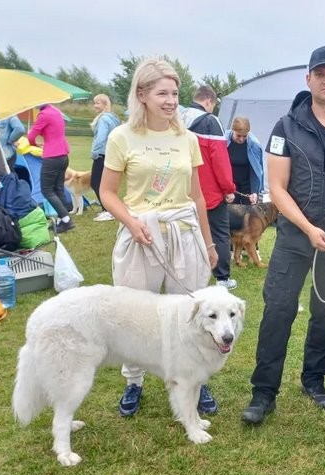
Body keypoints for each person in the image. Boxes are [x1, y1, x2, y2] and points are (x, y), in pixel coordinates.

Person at [241, 45, 325, 425]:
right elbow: (278, 187)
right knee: (279, 311)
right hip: (293, 238)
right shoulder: (286, 127)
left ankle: (313, 379)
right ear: (309, 79)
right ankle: (263, 393)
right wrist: (306, 227)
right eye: (320, 73)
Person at [99, 58, 218, 418]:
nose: (170, 100)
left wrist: (209, 243)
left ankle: (196, 379)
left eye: (175, 93)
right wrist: (132, 223)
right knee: (135, 312)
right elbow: (107, 192)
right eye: (162, 93)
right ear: (142, 94)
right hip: (142, 234)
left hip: (183, 231)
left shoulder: (187, 138)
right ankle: (134, 380)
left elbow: (197, 196)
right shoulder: (121, 136)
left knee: (190, 310)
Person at [181, 85, 238, 293]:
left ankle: (186, 274)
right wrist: (229, 188)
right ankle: (222, 277)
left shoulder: (176, 117)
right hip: (209, 192)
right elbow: (220, 160)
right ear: (209, 102)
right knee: (220, 234)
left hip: (182, 190)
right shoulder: (210, 122)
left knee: (187, 233)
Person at [27, 103, 73, 233]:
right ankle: (62, 219)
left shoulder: (43, 114)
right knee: (58, 188)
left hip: (52, 156)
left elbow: (31, 136)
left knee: (47, 190)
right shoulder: (55, 111)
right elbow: (51, 131)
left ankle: (66, 220)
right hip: (63, 155)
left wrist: (33, 143)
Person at [89, 94, 121, 222]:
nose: (94, 105)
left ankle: (108, 210)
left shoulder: (103, 119)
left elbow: (101, 138)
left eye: (97, 103)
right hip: (110, 153)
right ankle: (108, 209)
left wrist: (94, 153)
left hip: (102, 154)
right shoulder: (113, 118)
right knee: (105, 184)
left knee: (96, 183)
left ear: (104, 104)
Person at [225, 116, 265, 205]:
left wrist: (255, 192)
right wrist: (225, 188)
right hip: (230, 184)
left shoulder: (255, 145)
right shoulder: (223, 141)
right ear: (232, 130)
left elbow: (256, 171)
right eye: (238, 135)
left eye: (245, 136)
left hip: (248, 184)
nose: (241, 139)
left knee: (249, 215)